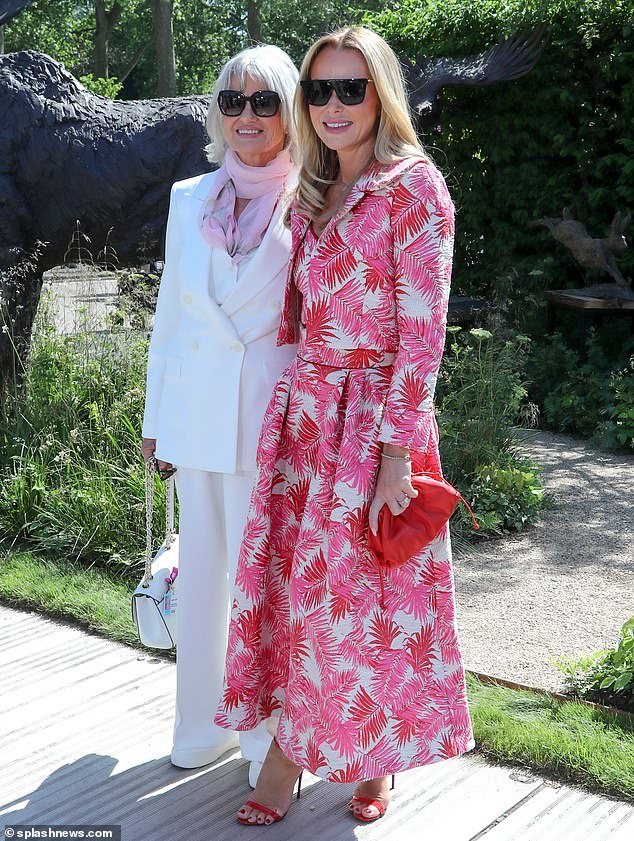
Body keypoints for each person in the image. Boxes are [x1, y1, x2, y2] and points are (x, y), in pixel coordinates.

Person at [215, 26, 475, 826]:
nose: (331, 105)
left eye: (349, 89)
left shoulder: (416, 189)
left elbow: (422, 335)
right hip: (307, 424)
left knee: (362, 598)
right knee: (305, 594)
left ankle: (346, 759)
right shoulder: (316, 189)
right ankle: (305, 750)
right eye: (318, 90)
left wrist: (397, 453)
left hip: (373, 428)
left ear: (381, 96)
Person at [141, 44, 299, 784]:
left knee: (261, 584)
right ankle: (200, 725)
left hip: (276, 416)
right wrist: (155, 416)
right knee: (202, 576)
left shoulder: (317, 196)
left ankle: (268, 742)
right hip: (198, 413)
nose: (245, 116)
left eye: (263, 101)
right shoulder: (186, 196)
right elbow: (172, 316)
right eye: (232, 101)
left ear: (290, 109)